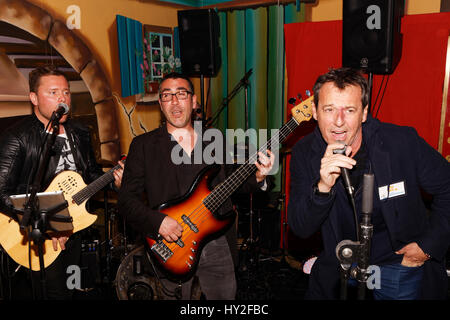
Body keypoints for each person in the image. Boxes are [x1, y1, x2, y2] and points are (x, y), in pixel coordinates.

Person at [287, 67, 450, 300]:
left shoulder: (401, 143)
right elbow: (300, 228)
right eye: (329, 109)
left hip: (396, 265)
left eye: (349, 110)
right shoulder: (304, 152)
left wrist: (427, 245)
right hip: (338, 266)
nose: (339, 121)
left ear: (364, 113)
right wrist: (322, 187)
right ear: (314, 112)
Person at [118, 72, 274, 300]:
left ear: (193, 102)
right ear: (160, 104)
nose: (174, 101)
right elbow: (126, 200)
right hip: (171, 245)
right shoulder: (143, 146)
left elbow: (230, 181)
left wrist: (258, 177)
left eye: (181, 94)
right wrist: (158, 222)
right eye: (167, 95)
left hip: (217, 240)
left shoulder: (214, 138)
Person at [0, 65, 124, 299]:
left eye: (66, 92)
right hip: (35, 236)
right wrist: (48, 226)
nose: (63, 98)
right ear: (34, 98)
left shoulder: (79, 132)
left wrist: (114, 182)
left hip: (74, 229)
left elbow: (92, 176)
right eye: (53, 92)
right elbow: (1, 193)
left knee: (70, 292)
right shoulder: (17, 138)